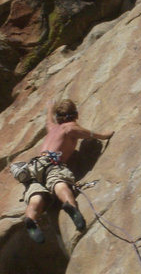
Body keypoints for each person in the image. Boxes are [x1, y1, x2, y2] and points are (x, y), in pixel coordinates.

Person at [22, 99, 113, 243]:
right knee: (59, 184)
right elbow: (90, 134)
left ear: (58, 118)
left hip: (34, 166)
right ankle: (70, 207)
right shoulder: (70, 128)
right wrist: (105, 135)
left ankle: (30, 219)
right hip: (52, 163)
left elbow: (48, 122)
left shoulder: (53, 128)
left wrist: (50, 109)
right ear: (75, 114)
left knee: (36, 196)